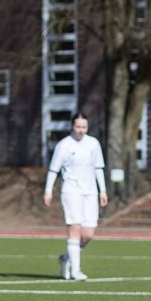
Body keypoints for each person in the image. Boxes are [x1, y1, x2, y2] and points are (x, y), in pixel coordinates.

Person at [44, 113, 107, 281]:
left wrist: (103, 190)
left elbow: (98, 167)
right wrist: (48, 190)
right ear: (72, 126)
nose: (80, 130)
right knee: (75, 228)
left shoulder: (93, 144)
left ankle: (66, 258)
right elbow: (53, 169)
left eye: (84, 127)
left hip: (90, 191)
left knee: (88, 234)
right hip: (71, 190)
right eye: (78, 127)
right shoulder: (64, 145)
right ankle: (76, 271)